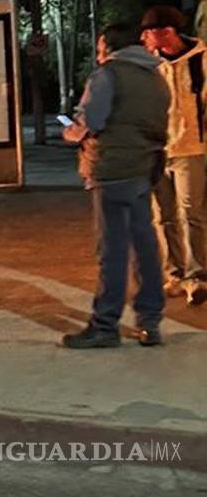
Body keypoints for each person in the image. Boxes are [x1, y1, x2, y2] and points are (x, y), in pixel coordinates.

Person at [62, 23, 169, 348]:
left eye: (99, 47)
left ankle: (105, 325)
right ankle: (150, 322)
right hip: (144, 167)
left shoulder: (108, 75)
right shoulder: (155, 76)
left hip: (112, 169)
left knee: (113, 250)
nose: (98, 53)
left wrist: (70, 131)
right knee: (145, 246)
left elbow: (91, 120)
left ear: (109, 46)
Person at [140, 5, 207, 306]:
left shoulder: (201, 61)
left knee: (191, 213)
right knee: (163, 216)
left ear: (167, 32)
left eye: (148, 32)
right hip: (157, 151)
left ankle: (197, 276)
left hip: (191, 148)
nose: (143, 38)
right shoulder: (149, 65)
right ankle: (175, 273)